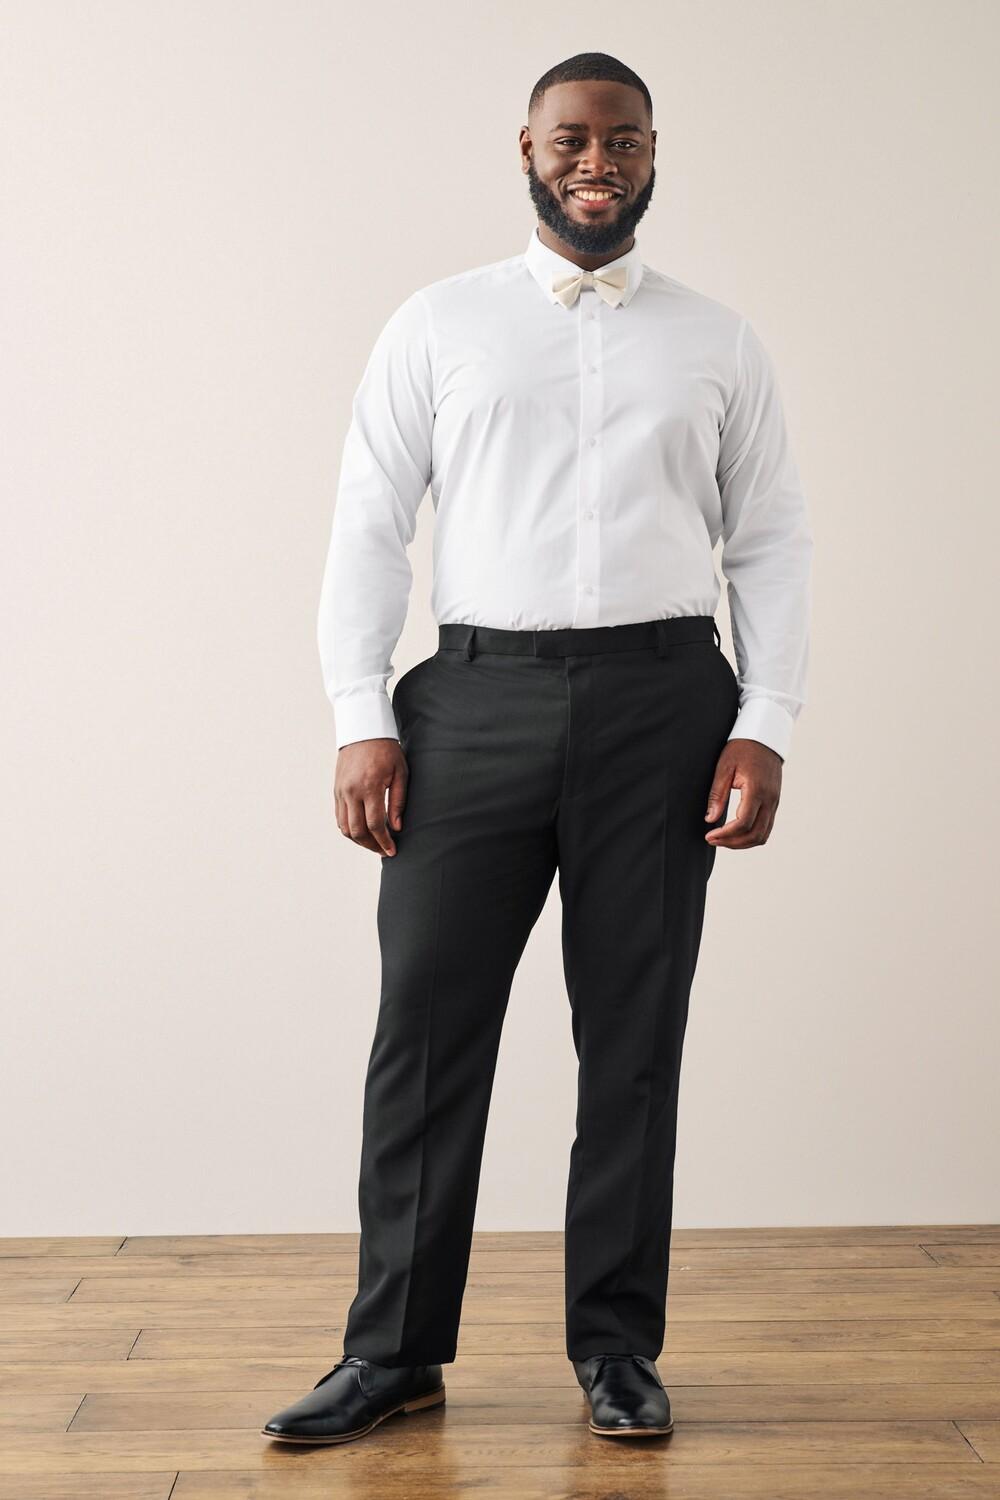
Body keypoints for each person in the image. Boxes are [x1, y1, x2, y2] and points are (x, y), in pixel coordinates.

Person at [263, 50, 812, 1447]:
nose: (597, 162)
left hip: (664, 706)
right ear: (527, 146)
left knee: (632, 1037)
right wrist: (360, 714)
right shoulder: (439, 324)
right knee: (425, 1031)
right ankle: (392, 1351)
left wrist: (764, 722)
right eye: (573, 138)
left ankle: (617, 1349)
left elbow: (769, 542)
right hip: (473, 702)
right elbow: (369, 523)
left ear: (652, 153)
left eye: (623, 140)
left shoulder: (719, 341)